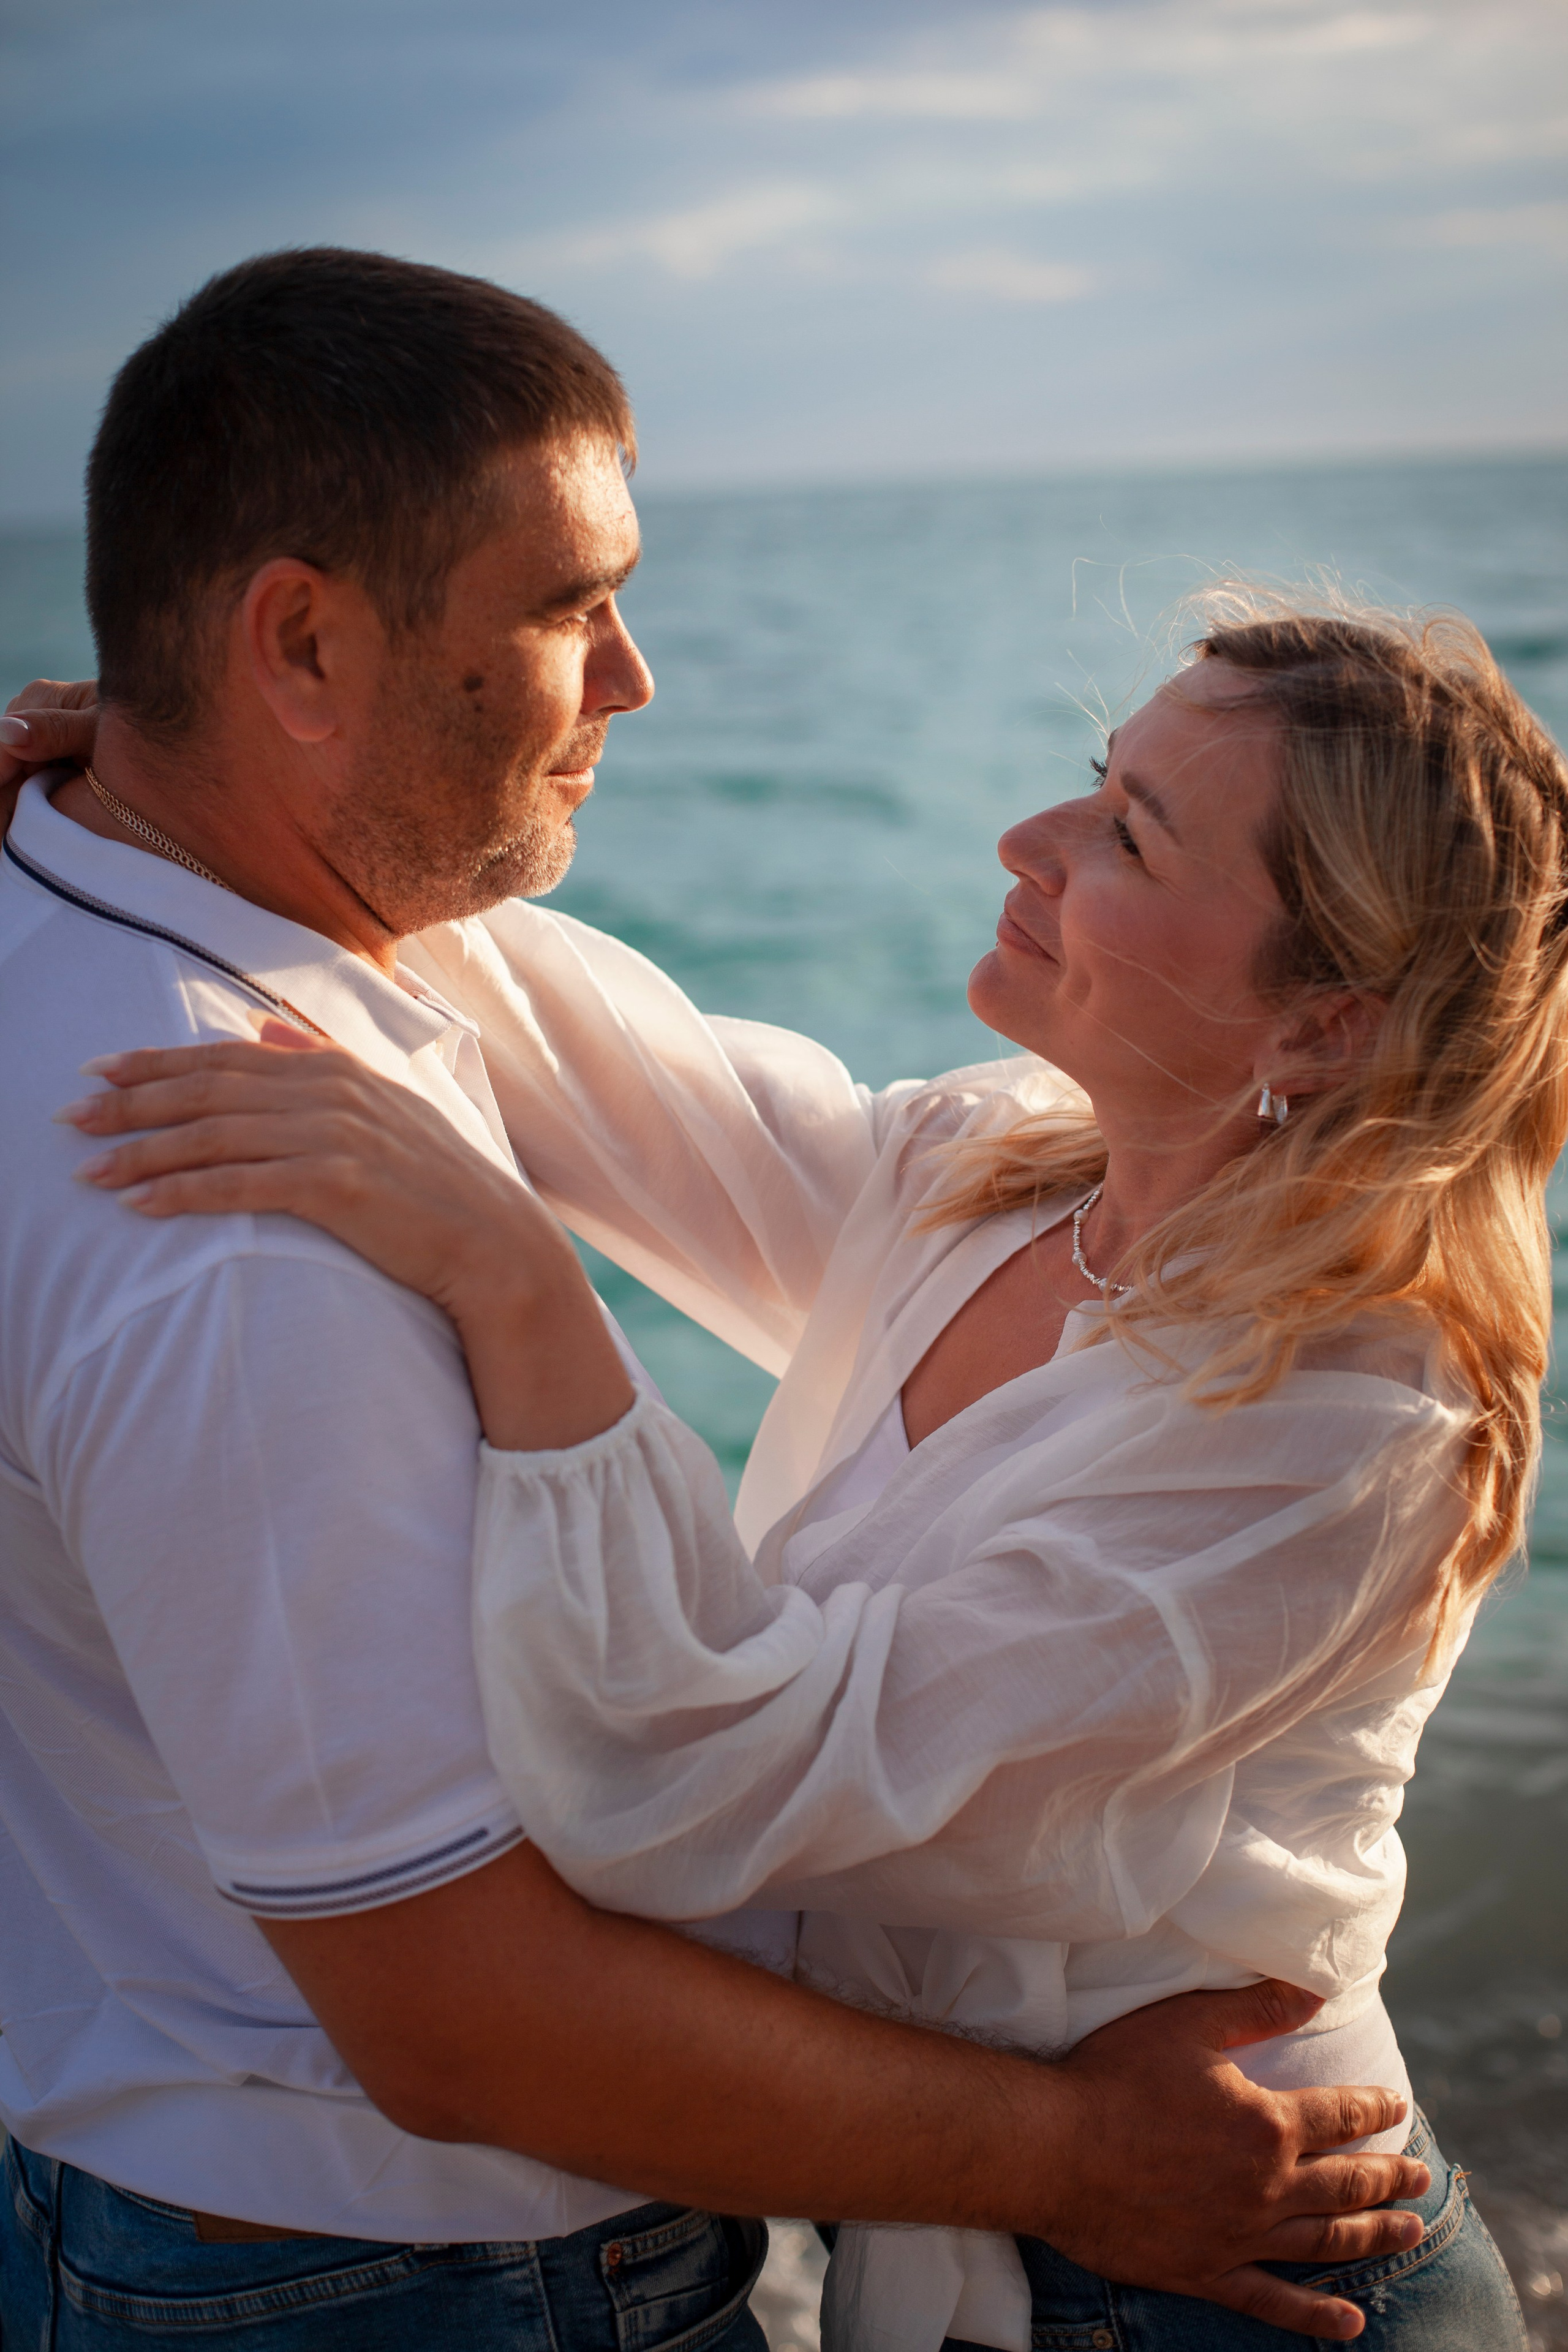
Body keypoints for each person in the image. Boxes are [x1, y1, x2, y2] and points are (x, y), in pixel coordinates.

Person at [0, 250, 1427, 2351]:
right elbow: (468, 2020)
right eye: (576, 605)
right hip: (449, 2259)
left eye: (1125, 828)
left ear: (1327, 1017)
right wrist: (1068, 2160)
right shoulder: (255, 1205)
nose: (640, 680)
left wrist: (131, 777)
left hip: (1236, 2242)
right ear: (297, 645)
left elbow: (757, 1771)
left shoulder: (1344, 1422)